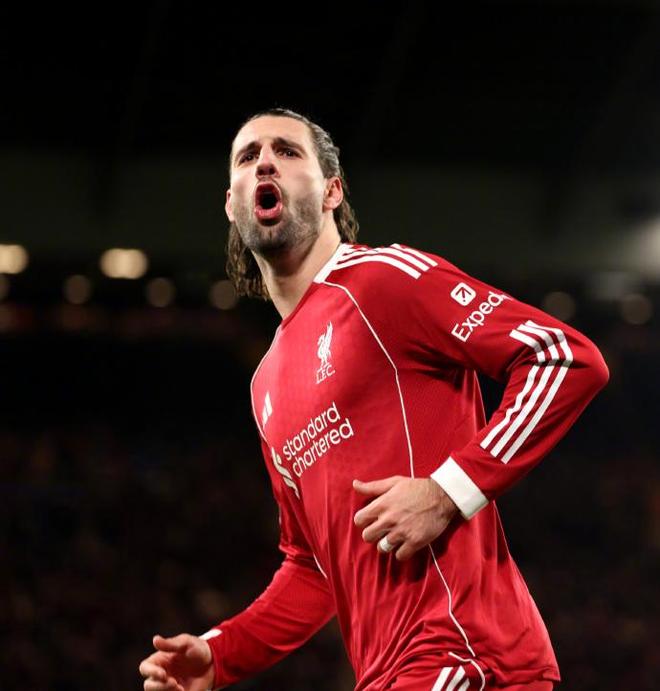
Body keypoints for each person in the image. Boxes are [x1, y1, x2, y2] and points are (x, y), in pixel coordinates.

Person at [139, 108, 609, 691]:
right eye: (248, 155)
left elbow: (563, 358)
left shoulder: (383, 280)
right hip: (391, 673)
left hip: (464, 655)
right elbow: (313, 568)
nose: (265, 162)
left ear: (332, 192)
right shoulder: (265, 386)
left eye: (287, 151)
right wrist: (221, 653)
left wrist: (448, 491)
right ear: (233, 205)